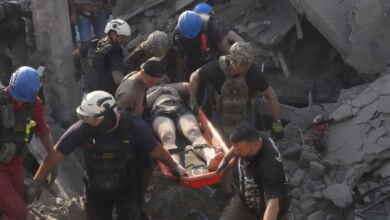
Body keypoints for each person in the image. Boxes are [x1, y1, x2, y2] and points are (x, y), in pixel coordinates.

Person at [26, 90, 187, 220]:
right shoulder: (82, 129)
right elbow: (54, 156)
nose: (88, 122)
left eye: (92, 119)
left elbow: (156, 150)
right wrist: (36, 184)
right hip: (96, 188)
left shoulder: (134, 125)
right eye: (84, 118)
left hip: (128, 186)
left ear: (108, 115)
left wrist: (175, 166)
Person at [189, 41, 284, 139]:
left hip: (244, 116)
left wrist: (277, 123)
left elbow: (271, 96)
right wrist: (193, 100)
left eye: (245, 66)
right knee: (220, 144)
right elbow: (194, 77)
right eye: (239, 65)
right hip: (220, 116)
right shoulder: (215, 69)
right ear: (231, 59)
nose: (242, 69)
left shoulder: (254, 74)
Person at [0, 66, 55, 220]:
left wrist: (52, 156)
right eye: (18, 97)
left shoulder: (34, 104)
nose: (20, 101)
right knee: (18, 213)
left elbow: (42, 130)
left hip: (16, 165)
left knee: (21, 205)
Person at [217, 123, 289, 220]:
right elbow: (237, 144)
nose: (236, 153)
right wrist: (226, 159)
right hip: (245, 203)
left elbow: (273, 205)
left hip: (270, 213)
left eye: (240, 150)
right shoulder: (253, 137)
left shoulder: (269, 166)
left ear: (255, 145)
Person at [146, 82, 224, 170]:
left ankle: (209, 156)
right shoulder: (150, 90)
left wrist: (167, 87)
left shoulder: (174, 88)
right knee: (167, 136)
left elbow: (188, 86)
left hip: (179, 107)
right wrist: (159, 90)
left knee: (194, 131)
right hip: (160, 109)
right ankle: (175, 163)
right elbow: (145, 103)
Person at [173, 10, 231, 80]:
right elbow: (180, 56)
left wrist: (230, 68)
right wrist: (180, 76)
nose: (193, 39)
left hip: (213, 57)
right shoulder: (178, 35)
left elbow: (224, 47)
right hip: (193, 61)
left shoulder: (209, 26)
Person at [79, 18, 130, 95]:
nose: (124, 40)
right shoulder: (115, 51)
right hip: (106, 95)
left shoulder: (94, 42)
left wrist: (82, 71)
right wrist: (131, 86)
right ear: (113, 34)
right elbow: (117, 78)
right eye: (122, 37)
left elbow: (76, 55)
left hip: (89, 92)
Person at [0, 1, 32, 85]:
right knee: (4, 76)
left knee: (19, 63)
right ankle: (10, 91)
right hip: (2, 40)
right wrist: (10, 55)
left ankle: (23, 86)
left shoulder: (12, 7)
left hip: (17, 36)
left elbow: (31, 15)